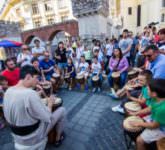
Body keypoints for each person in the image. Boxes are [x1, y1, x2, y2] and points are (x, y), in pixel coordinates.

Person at [3, 65, 66, 148]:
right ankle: (58, 139)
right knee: (62, 110)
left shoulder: (8, 91)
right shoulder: (30, 94)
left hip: (17, 136)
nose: (37, 81)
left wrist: (36, 95)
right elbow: (48, 117)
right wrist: (50, 103)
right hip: (33, 137)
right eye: (36, 78)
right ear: (28, 77)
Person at [131, 79, 165, 150]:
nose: (146, 89)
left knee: (139, 140)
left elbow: (154, 126)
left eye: (148, 89)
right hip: (156, 120)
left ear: (154, 93)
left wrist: (139, 124)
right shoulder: (156, 98)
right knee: (139, 120)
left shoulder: (162, 109)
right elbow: (149, 108)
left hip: (161, 129)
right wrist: (136, 113)